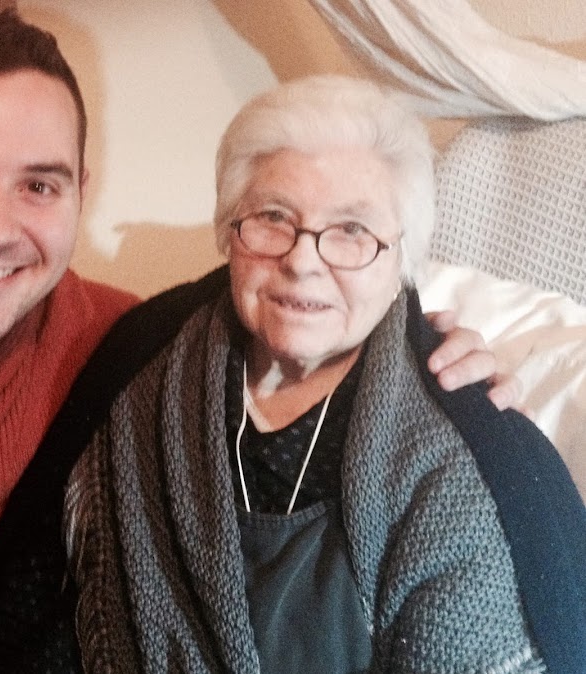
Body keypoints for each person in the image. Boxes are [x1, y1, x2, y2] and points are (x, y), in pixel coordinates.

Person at [0, 12, 516, 673]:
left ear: (81, 193)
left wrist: (423, 343)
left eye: (38, 185)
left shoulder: (113, 347)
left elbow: (294, 312)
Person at [46, 77, 583, 673]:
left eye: (352, 230)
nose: (303, 262)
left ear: (402, 257)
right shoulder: (140, 370)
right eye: (274, 217)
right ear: (230, 231)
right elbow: (33, 613)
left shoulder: (460, 464)